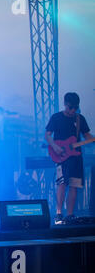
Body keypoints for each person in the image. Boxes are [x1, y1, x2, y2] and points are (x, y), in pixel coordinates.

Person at [45, 92, 93, 224]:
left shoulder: (79, 119)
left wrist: (92, 140)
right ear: (65, 104)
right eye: (70, 107)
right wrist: (55, 146)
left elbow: (86, 134)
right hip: (61, 155)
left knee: (74, 185)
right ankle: (59, 214)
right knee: (62, 183)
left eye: (75, 108)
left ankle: (70, 214)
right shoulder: (56, 118)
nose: (72, 110)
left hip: (76, 157)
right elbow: (48, 135)